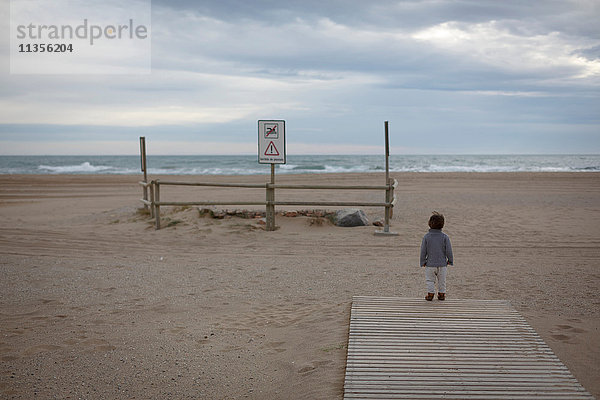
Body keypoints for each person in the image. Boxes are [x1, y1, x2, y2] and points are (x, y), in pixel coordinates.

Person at [420, 211, 453, 301]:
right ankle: (442, 294)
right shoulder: (445, 237)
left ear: (429, 224)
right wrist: (450, 260)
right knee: (442, 280)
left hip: (430, 264)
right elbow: (449, 250)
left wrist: (423, 261)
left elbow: (423, 251)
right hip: (442, 264)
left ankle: (430, 294)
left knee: (430, 280)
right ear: (442, 225)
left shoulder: (426, 237)